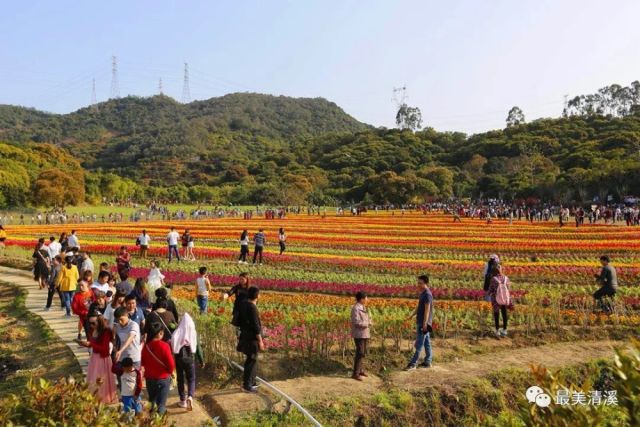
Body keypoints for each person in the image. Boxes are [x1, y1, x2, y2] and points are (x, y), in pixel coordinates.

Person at [77, 314, 117, 404]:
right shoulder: (94, 330)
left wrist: (90, 345)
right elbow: (94, 343)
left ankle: (102, 398)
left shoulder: (106, 332)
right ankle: (94, 397)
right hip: (94, 358)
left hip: (102, 359)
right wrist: (85, 344)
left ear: (99, 322)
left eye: (93, 323)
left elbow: (105, 349)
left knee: (100, 379)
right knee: (93, 378)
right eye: (89, 323)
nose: (91, 325)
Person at [171, 313, 204, 411]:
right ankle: (190, 396)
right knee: (191, 378)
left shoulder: (177, 332)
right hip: (190, 358)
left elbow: (172, 344)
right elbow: (198, 348)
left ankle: (182, 400)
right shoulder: (193, 333)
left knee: (180, 379)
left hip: (179, 358)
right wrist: (201, 360)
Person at [141, 322, 175, 415]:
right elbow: (171, 364)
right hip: (162, 378)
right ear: (160, 333)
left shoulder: (146, 346)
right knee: (161, 405)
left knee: (152, 403)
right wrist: (170, 372)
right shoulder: (164, 346)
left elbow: (143, 362)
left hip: (149, 379)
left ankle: (152, 422)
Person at [236, 286, 264, 393]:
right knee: (251, 361)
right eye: (259, 294)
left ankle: (252, 382)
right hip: (252, 339)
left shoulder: (244, 305)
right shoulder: (252, 308)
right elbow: (256, 327)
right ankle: (247, 385)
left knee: (251, 359)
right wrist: (260, 341)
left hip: (245, 335)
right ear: (256, 296)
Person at [404, 275, 434, 370]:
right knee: (426, 342)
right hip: (421, 321)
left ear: (426, 283)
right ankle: (428, 361)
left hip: (423, 322)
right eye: (418, 283)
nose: (418, 285)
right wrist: (412, 315)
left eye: (420, 283)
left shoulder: (427, 294)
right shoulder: (422, 293)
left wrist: (425, 323)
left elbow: (427, 310)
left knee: (419, 343)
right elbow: (419, 307)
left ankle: (413, 363)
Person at [350, 291, 372, 381]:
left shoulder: (364, 307)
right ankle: (355, 373)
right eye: (366, 298)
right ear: (362, 299)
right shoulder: (355, 308)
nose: (367, 299)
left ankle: (360, 370)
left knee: (363, 352)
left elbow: (367, 318)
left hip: (365, 333)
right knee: (360, 352)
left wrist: (370, 320)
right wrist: (367, 323)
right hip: (359, 333)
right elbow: (356, 322)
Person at [114, 306, 142, 372]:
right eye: (117, 320)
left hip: (133, 359)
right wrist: (115, 350)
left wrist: (120, 351)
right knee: (122, 380)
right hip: (121, 359)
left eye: (121, 319)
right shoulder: (117, 326)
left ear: (127, 315)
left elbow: (130, 338)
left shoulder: (134, 325)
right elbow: (115, 340)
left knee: (133, 380)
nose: (119, 322)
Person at [488, 263, 511, 338]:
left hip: (496, 300)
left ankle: (497, 331)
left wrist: (488, 294)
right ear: (501, 270)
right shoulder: (506, 278)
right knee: (504, 314)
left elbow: (490, 291)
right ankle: (504, 330)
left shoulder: (493, 279)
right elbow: (509, 289)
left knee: (496, 314)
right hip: (504, 299)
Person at [71, 273, 93, 340]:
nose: (81, 287)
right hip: (84, 318)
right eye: (80, 285)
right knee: (88, 333)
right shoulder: (77, 296)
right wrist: (83, 312)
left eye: (82, 285)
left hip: (93, 316)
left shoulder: (91, 293)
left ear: (87, 285)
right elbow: (74, 309)